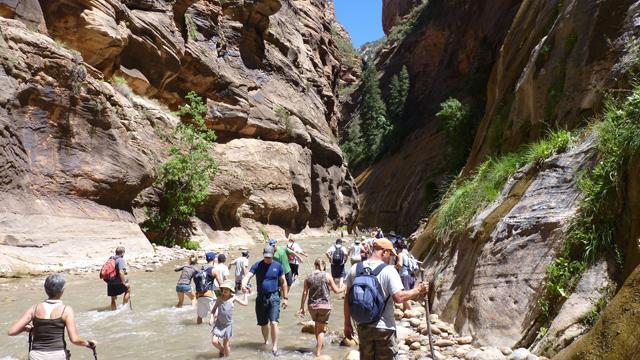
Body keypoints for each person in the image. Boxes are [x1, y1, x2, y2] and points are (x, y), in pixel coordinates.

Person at [343, 238, 428, 359]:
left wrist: (347, 323)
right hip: (384, 328)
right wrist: (418, 290)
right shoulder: (389, 270)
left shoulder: (355, 269)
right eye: (390, 254)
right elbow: (398, 297)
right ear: (384, 252)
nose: (391, 258)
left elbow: (347, 298)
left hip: (363, 326)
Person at [8, 274, 97, 359]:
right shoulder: (66, 310)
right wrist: (88, 344)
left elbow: (12, 332)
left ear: (45, 289)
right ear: (62, 291)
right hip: (58, 355)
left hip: (36, 356)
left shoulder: (34, 308)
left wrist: (27, 329)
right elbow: (74, 339)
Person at [241, 246, 289, 356]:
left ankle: (275, 347)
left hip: (274, 296)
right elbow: (247, 276)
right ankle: (266, 341)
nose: (268, 259)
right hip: (261, 298)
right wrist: (243, 285)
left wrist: (285, 298)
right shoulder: (257, 265)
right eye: (266, 257)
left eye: (270, 257)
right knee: (263, 323)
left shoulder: (278, 266)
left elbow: (284, 282)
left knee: (273, 322)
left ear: (273, 255)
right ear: (263, 254)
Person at [297, 258, 345, 356]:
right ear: (323, 266)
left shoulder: (308, 277)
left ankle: (319, 344)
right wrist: (344, 287)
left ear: (315, 265)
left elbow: (305, 292)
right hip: (325, 306)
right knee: (321, 330)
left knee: (316, 325)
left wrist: (301, 307)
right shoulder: (327, 275)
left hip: (312, 306)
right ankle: (318, 353)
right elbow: (336, 291)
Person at [210, 280, 249, 357]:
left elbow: (245, 303)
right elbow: (213, 309)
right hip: (219, 323)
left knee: (226, 345)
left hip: (228, 325)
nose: (225, 291)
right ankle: (221, 350)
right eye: (224, 289)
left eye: (227, 289)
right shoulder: (219, 298)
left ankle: (227, 357)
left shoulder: (233, 298)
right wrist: (211, 318)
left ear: (231, 290)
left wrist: (245, 294)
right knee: (214, 341)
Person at [197, 252, 224, 325]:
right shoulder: (214, 270)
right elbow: (220, 284)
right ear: (214, 259)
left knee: (200, 316)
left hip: (199, 295)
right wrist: (224, 296)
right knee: (215, 315)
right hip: (209, 295)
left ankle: (198, 328)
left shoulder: (201, 269)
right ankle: (215, 333)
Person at [106, 246, 130, 310]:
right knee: (128, 290)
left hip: (109, 281)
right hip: (117, 281)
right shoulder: (120, 259)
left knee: (113, 298)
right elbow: (121, 272)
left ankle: (113, 311)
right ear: (123, 253)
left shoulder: (110, 259)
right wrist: (124, 283)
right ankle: (124, 308)